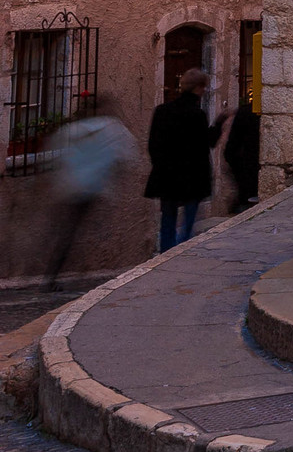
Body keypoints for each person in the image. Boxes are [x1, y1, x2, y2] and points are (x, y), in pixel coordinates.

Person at [45, 107, 134, 288]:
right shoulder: (111, 129)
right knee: (77, 231)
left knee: (67, 231)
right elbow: (126, 156)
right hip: (91, 188)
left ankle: (54, 275)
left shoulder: (73, 130)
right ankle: (78, 272)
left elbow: (57, 152)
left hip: (70, 187)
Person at [144, 67, 216, 250]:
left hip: (167, 175)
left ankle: (167, 252)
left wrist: (160, 166)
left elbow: (153, 145)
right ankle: (181, 250)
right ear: (198, 88)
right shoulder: (197, 115)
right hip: (191, 176)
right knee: (189, 221)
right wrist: (220, 123)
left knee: (168, 219)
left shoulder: (162, 111)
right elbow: (206, 143)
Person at [222, 97, 260, 211]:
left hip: (245, 168)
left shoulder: (244, 112)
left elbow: (231, 147)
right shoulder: (251, 113)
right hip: (250, 167)